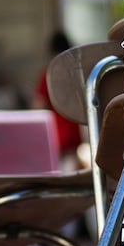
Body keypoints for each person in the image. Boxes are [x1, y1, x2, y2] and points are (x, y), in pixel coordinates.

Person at [32, 29, 84, 170]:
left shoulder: (48, 74)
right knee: (72, 171)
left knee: (58, 173)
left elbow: (39, 106)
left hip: (56, 134)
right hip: (73, 132)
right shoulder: (75, 74)